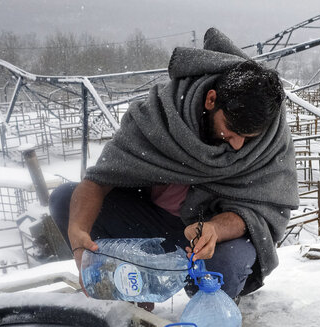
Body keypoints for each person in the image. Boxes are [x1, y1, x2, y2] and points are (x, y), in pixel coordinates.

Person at [49, 28, 298, 302]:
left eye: (247, 139)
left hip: (211, 239)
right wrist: (78, 235)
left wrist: (215, 228)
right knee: (65, 200)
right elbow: (99, 181)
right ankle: (131, 292)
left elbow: (261, 211)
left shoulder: (270, 139)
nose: (238, 146)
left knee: (226, 265)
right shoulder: (162, 116)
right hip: (149, 225)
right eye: (231, 130)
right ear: (211, 99)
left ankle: (210, 298)